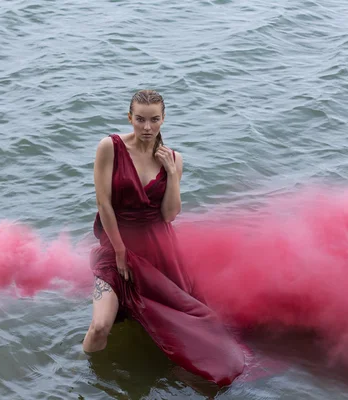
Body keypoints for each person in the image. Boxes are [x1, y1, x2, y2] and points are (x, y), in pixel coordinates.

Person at [82, 89, 246, 386]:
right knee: (100, 326)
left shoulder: (173, 158)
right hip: (117, 246)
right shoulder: (110, 147)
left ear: (163, 119)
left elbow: (170, 214)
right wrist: (119, 252)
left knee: (176, 325)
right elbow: (103, 204)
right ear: (129, 117)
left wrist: (171, 172)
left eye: (154, 120)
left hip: (160, 250)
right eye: (140, 119)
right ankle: (88, 382)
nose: (147, 127)